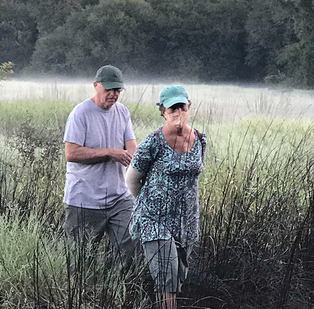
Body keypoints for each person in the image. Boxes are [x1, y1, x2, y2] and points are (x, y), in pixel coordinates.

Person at [125, 85, 206, 309]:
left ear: (189, 107)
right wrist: (149, 204)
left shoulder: (199, 139)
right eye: (172, 108)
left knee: (177, 276)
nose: (178, 112)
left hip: (187, 221)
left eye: (182, 106)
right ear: (163, 112)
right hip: (155, 220)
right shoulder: (152, 142)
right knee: (166, 278)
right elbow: (132, 179)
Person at [62, 64, 137, 262]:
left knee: (130, 248)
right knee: (80, 260)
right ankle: (87, 292)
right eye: (109, 89)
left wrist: (132, 158)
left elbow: (132, 147)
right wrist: (109, 153)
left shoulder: (122, 112)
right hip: (84, 199)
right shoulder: (81, 113)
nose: (113, 94)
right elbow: (71, 153)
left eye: (117, 90)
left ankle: (118, 289)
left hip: (119, 198)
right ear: (96, 86)